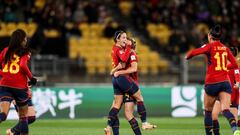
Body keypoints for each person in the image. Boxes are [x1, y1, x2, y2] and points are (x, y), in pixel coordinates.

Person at [186, 25, 240, 135]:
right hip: (225, 83)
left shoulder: (209, 46)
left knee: (208, 111)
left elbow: (194, 52)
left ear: (210, 36)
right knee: (225, 110)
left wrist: (187, 57)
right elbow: (234, 64)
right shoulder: (225, 48)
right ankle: (235, 129)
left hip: (212, 82)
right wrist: (224, 67)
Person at [104, 31, 151, 135]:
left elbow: (122, 63)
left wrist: (115, 70)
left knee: (118, 108)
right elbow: (131, 66)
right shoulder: (128, 52)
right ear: (118, 39)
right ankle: (144, 122)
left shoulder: (118, 49)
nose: (125, 40)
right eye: (124, 38)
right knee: (139, 98)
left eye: (126, 39)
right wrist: (119, 71)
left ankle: (108, 127)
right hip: (125, 80)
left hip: (117, 79)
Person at [112, 37, 157, 134]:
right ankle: (142, 126)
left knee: (125, 109)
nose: (125, 41)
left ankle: (144, 123)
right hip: (124, 84)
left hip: (130, 84)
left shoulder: (132, 54)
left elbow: (134, 68)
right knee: (127, 114)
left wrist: (119, 72)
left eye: (127, 41)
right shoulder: (124, 54)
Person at [0, 29, 37, 135]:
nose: (26, 40)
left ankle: (13, 132)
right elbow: (22, 65)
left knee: (3, 115)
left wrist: (4, 74)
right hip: (19, 87)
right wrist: (32, 78)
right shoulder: (25, 51)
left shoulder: (5, 50)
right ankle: (13, 132)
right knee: (24, 118)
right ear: (21, 40)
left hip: (5, 85)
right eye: (25, 38)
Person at [211, 46, 240, 135]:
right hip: (221, 94)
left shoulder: (234, 67)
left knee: (234, 120)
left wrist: (237, 83)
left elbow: (237, 76)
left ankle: (235, 130)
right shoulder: (221, 66)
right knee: (214, 115)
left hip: (231, 95)